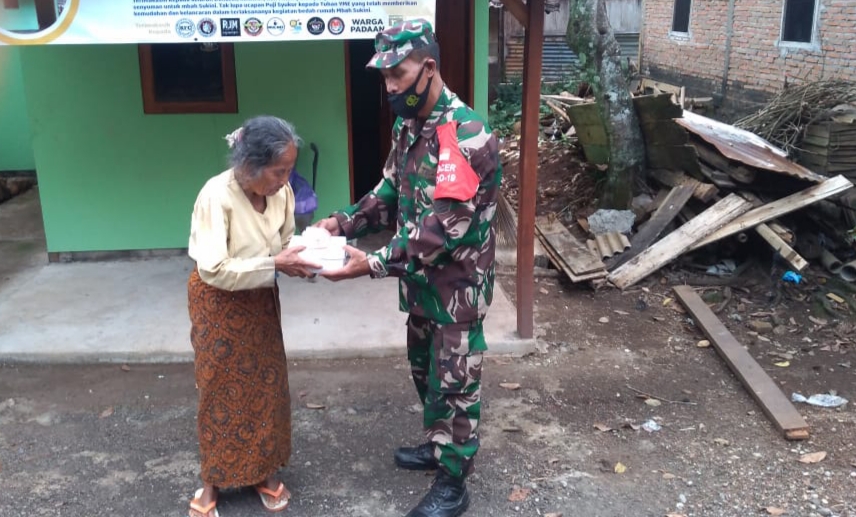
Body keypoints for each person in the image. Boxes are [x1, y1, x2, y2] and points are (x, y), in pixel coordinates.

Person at [315, 19, 501, 517]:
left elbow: (444, 230)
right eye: (384, 76)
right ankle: (438, 443)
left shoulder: (466, 134)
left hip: (457, 287)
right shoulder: (409, 127)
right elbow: (392, 189)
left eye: (398, 74)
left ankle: (454, 481)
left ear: (429, 67)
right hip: (421, 283)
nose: (390, 86)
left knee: (456, 382)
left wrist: (370, 264)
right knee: (426, 370)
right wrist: (344, 222)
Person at [186, 115, 321, 517]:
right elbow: (214, 268)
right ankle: (212, 479)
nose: (284, 179)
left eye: (289, 170)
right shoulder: (216, 196)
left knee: (266, 386)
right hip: (217, 303)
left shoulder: (281, 194)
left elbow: (282, 244)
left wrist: (312, 254)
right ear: (249, 164)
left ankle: (262, 470)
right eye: (278, 171)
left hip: (260, 300)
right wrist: (276, 264)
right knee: (218, 387)